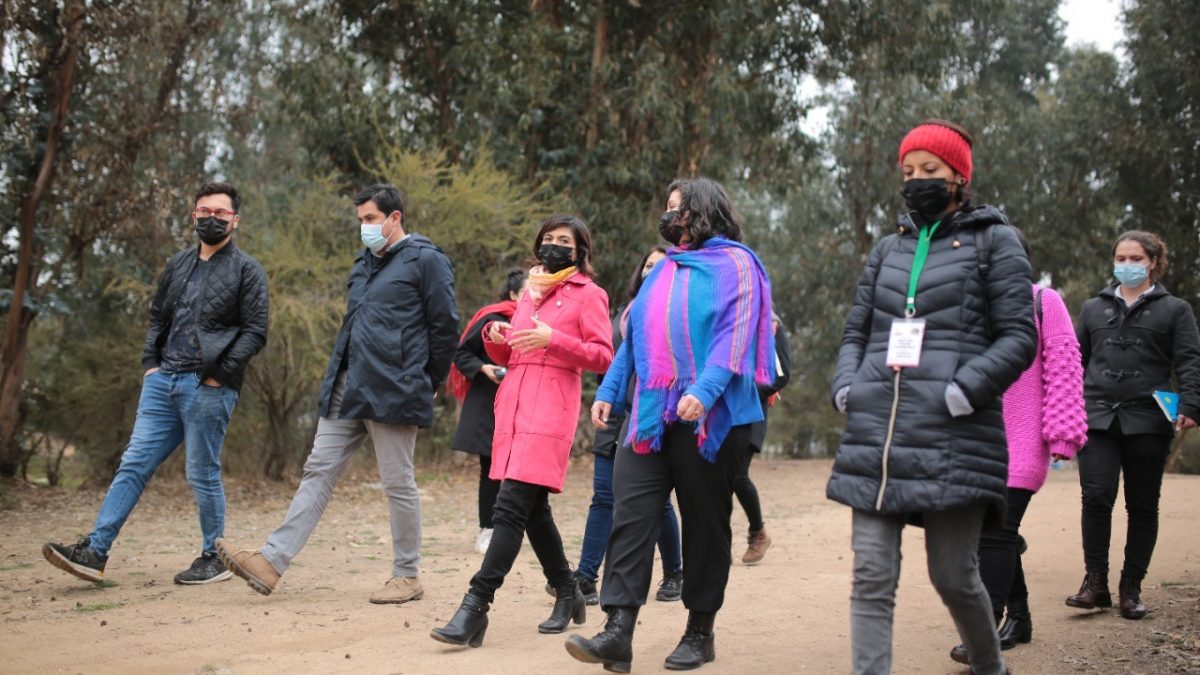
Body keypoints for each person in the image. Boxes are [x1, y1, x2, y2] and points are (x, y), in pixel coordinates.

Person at [826, 119, 1036, 675]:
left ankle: (990, 667)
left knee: (953, 575)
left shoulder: (997, 242)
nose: (917, 181)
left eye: (931, 171)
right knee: (871, 574)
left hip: (955, 435)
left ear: (959, 177)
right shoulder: (887, 250)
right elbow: (857, 331)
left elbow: (1020, 336)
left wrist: (964, 390)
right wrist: (848, 385)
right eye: (909, 172)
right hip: (878, 435)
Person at [567, 177, 775, 673]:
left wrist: (702, 392)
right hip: (651, 413)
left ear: (703, 212)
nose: (669, 217)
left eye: (676, 209)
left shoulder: (738, 266)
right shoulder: (663, 271)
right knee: (631, 513)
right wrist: (610, 393)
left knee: (705, 524)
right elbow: (635, 337)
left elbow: (735, 336)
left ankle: (700, 631)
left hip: (711, 417)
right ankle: (618, 631)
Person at [216, 183, 458, 604]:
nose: (363, 227)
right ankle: (271, 562)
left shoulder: (427, 261)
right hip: (348, 384)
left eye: (370, 219)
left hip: (396, 387)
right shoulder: (364, 263)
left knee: (397, 482)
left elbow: (445, 328)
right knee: (318, 469)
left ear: (394, 218)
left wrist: (428, 382)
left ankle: (407, 575)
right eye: (360, 220)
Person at [43, 181, 269, 586]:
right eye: (204, 211)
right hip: (162, 383)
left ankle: (212, 557)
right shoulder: (178, 264)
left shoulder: (247, 270)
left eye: (220, 213)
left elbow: (255, 331)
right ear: (193, 215)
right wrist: (151, 364)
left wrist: (219, 374)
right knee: (133, 464)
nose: (211, 218)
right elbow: (158, 318)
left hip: (208, 386)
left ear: (235, 219)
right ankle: (95, 552)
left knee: (201, 472)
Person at [431, 214, 613, 647]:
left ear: (579, 249)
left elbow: (603, 356)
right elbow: (515, 349)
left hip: (551, 409)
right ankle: (568, 591)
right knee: (533, 511)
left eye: (562, 240)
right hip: (512, 407)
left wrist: (554, 340)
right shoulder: (532, 291)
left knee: (509, 508)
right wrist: (499, 336)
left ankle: (476, 605)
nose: (552, 245)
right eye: (547, 238)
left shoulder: (590, 295)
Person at [950, 229, 1087, 664]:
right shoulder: (965, 307)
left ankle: (982, 636)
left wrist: (1063, 434)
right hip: (974, 439)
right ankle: (1021, 617)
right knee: (987, 534)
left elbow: (1064, 368)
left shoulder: (1043, 303)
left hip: (1024, 438)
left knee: (997, 531)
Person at [1066, 230, 1200, 620]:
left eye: (1135, 258)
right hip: (1098, 417)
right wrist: (1067, 409)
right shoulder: (1093, 308)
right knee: (1096, 496)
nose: (1126, 264)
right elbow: (1074, 363)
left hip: (1148, 418)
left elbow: (1189, 361)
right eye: (1121, 258)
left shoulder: (1175, 310)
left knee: (1142, 506)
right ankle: (1095, 583)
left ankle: (1131, 588)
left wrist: (1191, 404)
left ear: (1153, 262)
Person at [571, 247, 683, 605]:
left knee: (658, 502)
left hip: (649, 413)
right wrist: (605, 396)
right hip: (614, 413)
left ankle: (674, 572)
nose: (652, 271)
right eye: (647, 265)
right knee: (603, 496)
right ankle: (586, 578)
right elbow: (615, 362)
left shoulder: (673, 311)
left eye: (660, 266)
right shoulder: (623, 314)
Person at [449, 268, 528, 555]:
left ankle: (515, 528)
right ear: (512, 295)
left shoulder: (540, 325)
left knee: (524, 472)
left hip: (526, 406)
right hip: (489, 406)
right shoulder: (492, 319)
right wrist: (484, 368)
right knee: (491, 470)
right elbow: (461, 353)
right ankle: (488, 528)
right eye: (526, 293)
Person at [738, 312, 791, 565]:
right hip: (719, 409)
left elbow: (781, 375)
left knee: (737, 474)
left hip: (752, 411)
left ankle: (758, 532)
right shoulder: (724, 314)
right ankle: (717, 542)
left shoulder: (771, 324)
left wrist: (746, 392)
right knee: (716, 476)